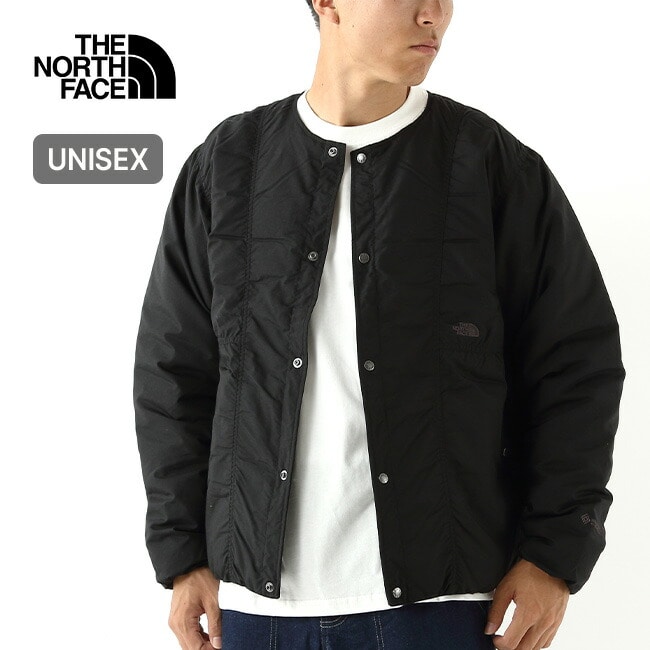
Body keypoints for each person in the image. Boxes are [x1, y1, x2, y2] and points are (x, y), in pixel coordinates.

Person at [132, 1, 626, 649]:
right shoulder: (229, 166)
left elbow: (575, 366)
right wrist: (183, 556)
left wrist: (553, 556)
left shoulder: (488, 164)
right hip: (254, 607)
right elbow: (174, 374)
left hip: (444, 602)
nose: (434, 13)